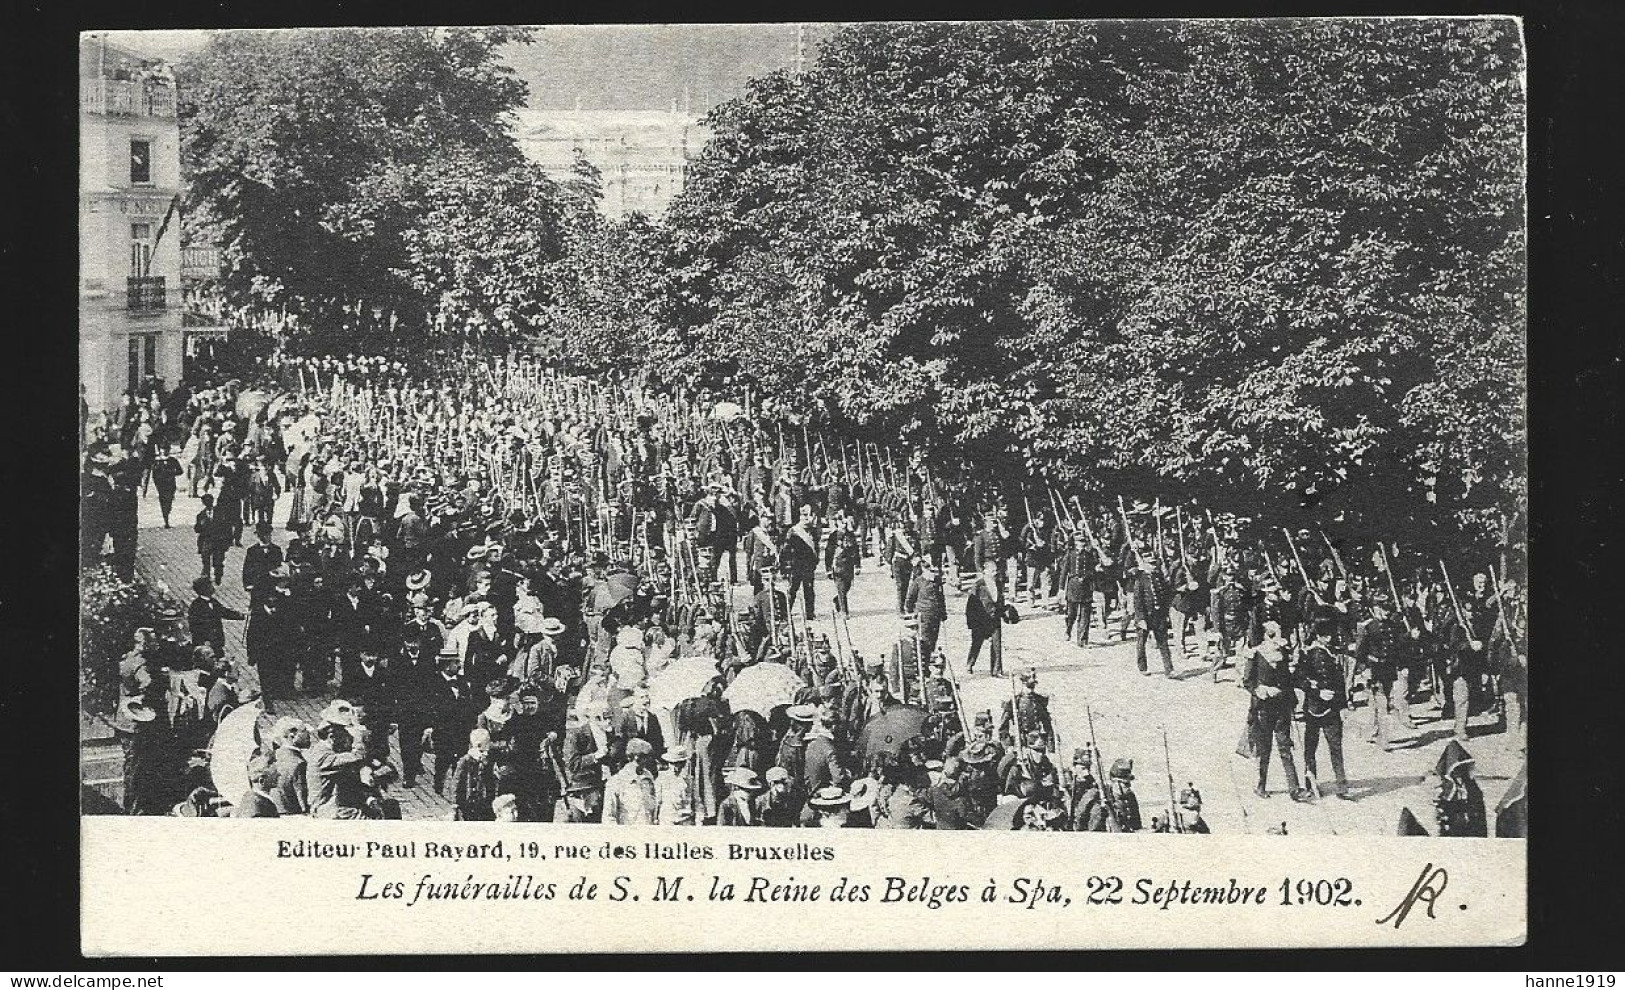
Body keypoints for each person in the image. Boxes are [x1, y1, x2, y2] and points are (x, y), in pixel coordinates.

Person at [1243, 621, 1309, 802]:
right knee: (1264, 749)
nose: (1279, 639)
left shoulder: (1283, 654)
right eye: (1275, 635)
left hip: (1282, 707)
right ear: (1266, 636)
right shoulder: (1255, 655)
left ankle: (1294, 789)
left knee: (1285, 747)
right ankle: (1260, 785)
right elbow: (1247, 681)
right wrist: (1260, 689)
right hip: (1263, 709)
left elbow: (1288, 680)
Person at [1297, 619, 1353, 801]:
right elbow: (1299, 679)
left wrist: (1343, 705)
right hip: (1314, 708)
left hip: (1333, 708)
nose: (1329, 638)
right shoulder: (1308, 654)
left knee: (1336, 747)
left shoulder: (1333, 653)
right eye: (1325, 635)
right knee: (1310, 748)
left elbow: (1340, 682)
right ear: (1318, 636)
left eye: (1330, 635)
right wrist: (1317, 692)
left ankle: (1342, 785)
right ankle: (1310, 783)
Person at [1432, 740, 1488, 837]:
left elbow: (1479, 811)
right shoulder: (1443, 789)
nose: (1459, 774)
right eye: (1456, 770)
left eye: (1462, 769)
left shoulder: (1472, 787)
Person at [1133, 555, 1175, 677]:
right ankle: (1142, 667)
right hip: (1145, 616)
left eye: (1154, 563)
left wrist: (1165, 613)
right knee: (1141, 642)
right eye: (1150, 564)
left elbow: (1164, 596)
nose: (1153, 566)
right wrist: (1141, 618)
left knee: (1163, 642)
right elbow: (1137, 600)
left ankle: (1169, 669)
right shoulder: (1140, 579)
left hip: (1158, 615)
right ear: (1145, 565)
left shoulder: (1158, 577)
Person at [603, 738, 660, 825]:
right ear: (636, 757)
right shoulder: (616, 781)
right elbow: (609, 817)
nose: (650, 760)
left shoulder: (648, 777)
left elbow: (653, 807)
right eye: (646, 757)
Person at [187, 577, 244, 659]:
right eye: (210, 585)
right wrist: (203, 641)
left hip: (217, 641)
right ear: (204, 589)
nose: (213, 587)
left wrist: (241, 615)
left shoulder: (213, 601)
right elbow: (194, 626)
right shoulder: (196, 606)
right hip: (205, 644)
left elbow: (224, 612)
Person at [965, 558, 1005, 676]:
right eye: (992, 571)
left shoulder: (998, 583)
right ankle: (970, 664)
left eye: (996, 571)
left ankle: (996, 670)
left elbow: (1000, 599)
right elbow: (970, 606)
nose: (995, 573)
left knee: (997, 645)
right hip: (981, 619)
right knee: (977, 643)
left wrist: (1004, 611)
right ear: (985, 571)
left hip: (995, 618)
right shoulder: (978, 585)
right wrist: (971, 623)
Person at [998, 667, 1054, 750]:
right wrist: (1007, 745)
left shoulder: (1039, 700)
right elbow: (1003, 727)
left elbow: (1047, 724)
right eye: (1030, 687)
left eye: (1033, 687)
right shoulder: (1014, 702)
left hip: (1037, 741)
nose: (1031, 690)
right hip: (1020, 741)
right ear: (1023, 683)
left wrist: (1050, 744)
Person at [452, 728, 499, 821]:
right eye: (487, 742)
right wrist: (455, 803)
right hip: (468, 801)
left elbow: (492, 780)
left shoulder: (488, 760)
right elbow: (457, 782)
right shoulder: (465, 761)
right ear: (479, 745)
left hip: (486, 801)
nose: (489, 745)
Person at [267, 717, 311, 815]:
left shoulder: (274, 757)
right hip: (295, 814)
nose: (309, 735)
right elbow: (303, 801)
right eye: (305, 731)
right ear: (292, 734)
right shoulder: (298, 763)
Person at [654, 747, 696, 825]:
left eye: (677, 763)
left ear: (683, 763)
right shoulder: (662, 778)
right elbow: (657, 801)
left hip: (684, 819)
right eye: (671, 763)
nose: (674, 767)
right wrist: (655, 819)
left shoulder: (688, 780)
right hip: (667, 818)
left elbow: (692, 801)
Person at [1102, 758, 1143, 832]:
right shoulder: (1107, 800)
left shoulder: (1131, 797)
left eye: (1129, 784)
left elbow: (1137, 826)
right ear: (1115, 783)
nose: (1129, 787)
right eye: (1126, 784)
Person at [194, 494, 228, 584]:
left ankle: (218, 576)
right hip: (206, 540)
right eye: (206, 502)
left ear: (213, 501)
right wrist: (200, 524)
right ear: (203, 503)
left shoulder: (220, 513)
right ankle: (207, 576)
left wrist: (227, 541)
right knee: (205, 560)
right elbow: (197, 530)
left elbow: (226, 527)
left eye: (210, 501)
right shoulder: (200, 515)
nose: (208, 503)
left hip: (218, 540)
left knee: (218, 560)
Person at [151, 443, 183, 528]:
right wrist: (157, 484)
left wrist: (172, 473)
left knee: (169, 502)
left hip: (171, 484)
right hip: (161, 484)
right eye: (163, 449)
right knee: (163, 502)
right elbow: (154, 475)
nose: (165, 451)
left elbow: (180, 471)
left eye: (166, 449)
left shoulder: (172, 460)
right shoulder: (157, 461)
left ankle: (167, 514)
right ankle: (166, 520)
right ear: (160, 450)